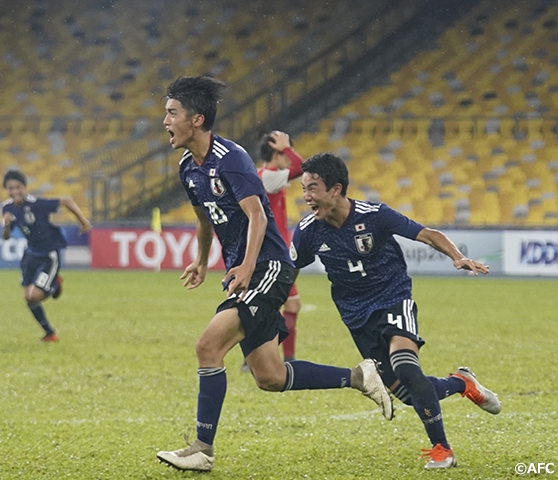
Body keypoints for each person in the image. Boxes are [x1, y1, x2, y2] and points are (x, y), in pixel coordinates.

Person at [156, 76, 394, 473]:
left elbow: (256, 215)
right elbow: (204, 218)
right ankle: (359, 376)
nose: (164, 120)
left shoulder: (230, 158)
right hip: (248, 269)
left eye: (171, 112)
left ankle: (201, 449)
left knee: (207, 347)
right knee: (270, 376)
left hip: (268, 267)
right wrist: (200, 260)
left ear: (196, 119)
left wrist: (248, 265)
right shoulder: (187, 167)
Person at [290, 152, 501, 470]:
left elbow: (428, 234)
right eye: (304, 189)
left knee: (405, 365)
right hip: (356, 316)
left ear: (336, 189)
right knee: (405, 392)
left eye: (313, 188)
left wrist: (457, 256)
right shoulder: (308, 232)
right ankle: (461, 382)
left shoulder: (375, 215)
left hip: (392, 298)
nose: (306, 197)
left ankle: (442, 449)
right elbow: (288, 269)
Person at [1, 169, 92, 342]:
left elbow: (66, 201)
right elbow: (6, 236)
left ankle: (55, 284)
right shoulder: (7, 208)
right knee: (28, 298)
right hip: (30, 254)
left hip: (49, 254)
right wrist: (5, 225)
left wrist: (84, 222)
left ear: (25, 187)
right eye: (10, 188)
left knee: (35, 295)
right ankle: (50, 333)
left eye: (18, 187)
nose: (14, 192)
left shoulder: (36, 204)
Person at [241, 131, 303, 371]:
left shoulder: (267, 177)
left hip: (273, 252)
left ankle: (266, 359)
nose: (288, 158)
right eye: (285, 153)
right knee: (277, 307)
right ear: (277, 154)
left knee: (277, 306)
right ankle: (279, 359)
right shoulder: (268, 176)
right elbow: (302, 169)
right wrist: (288, 147)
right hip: (272, 255)